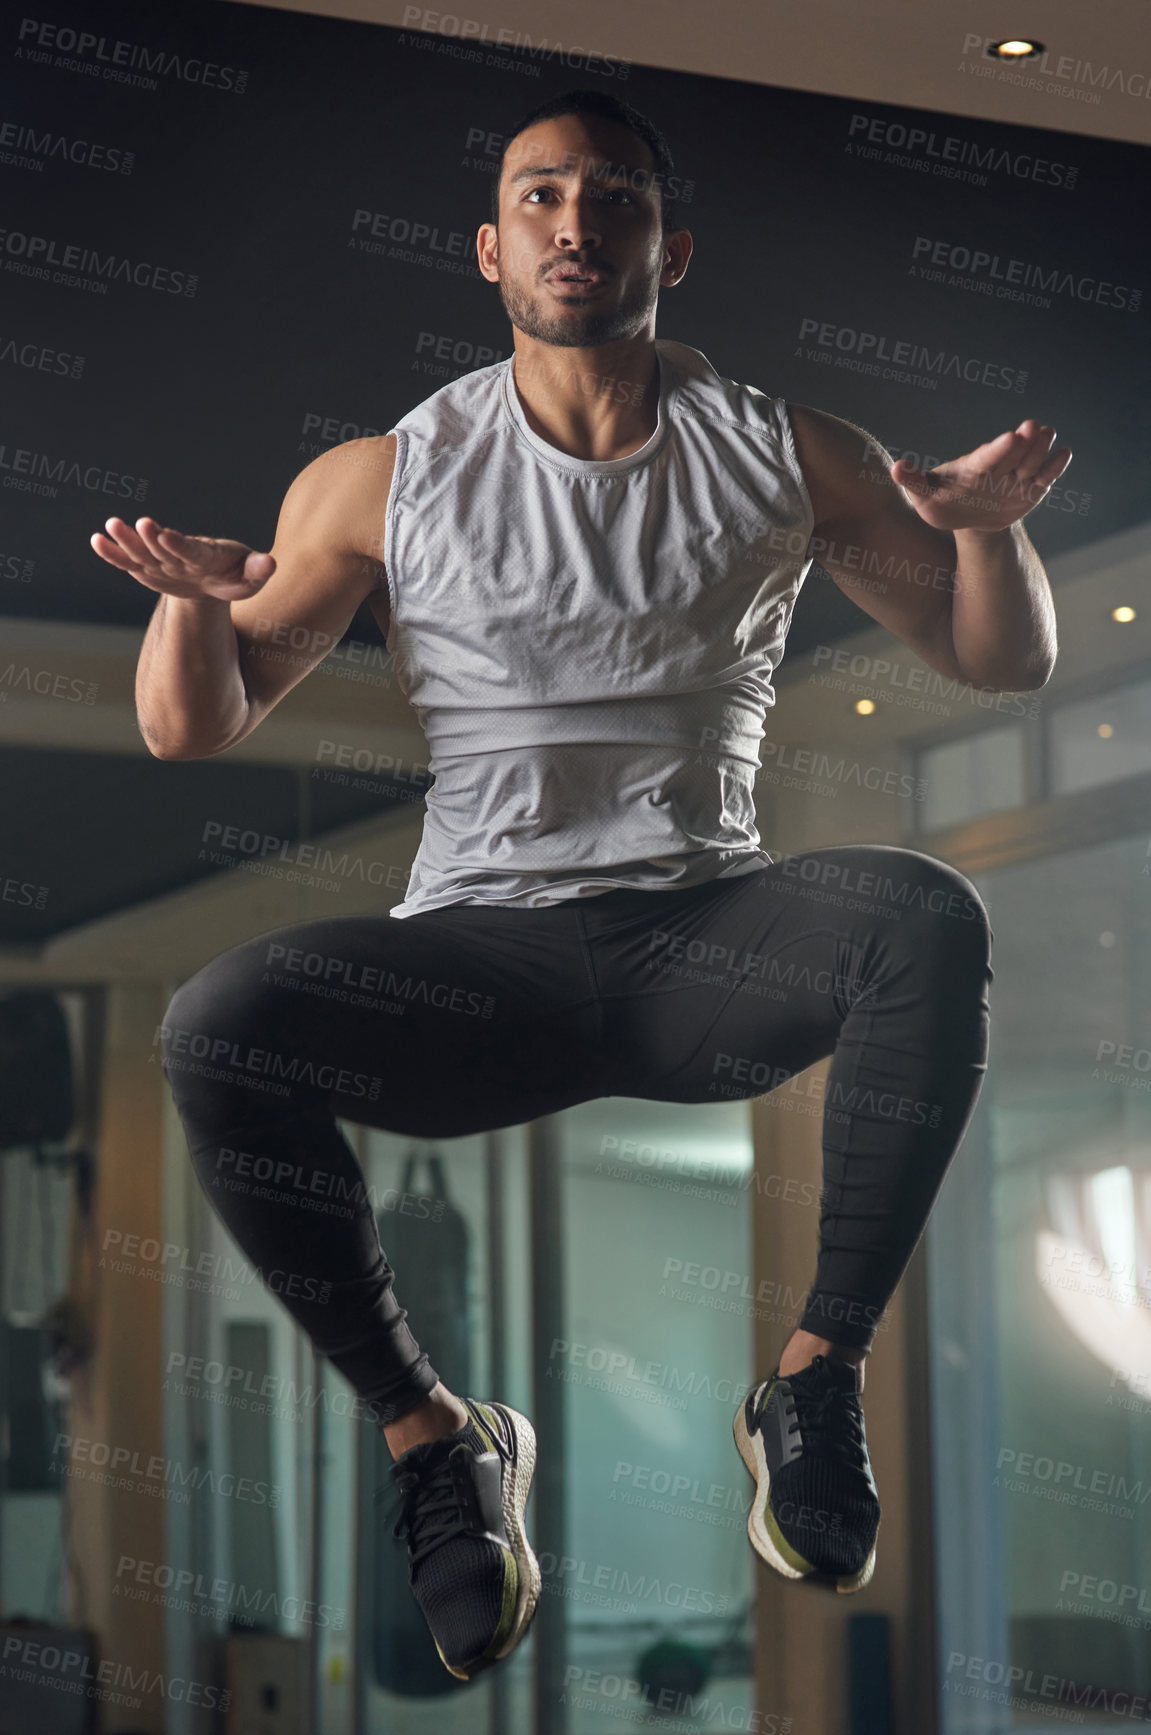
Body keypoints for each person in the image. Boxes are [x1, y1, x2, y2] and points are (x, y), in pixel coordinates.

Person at [92, 87, 1064, 1681]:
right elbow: (187, 728)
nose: (574, 223)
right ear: (488, 249)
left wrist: (993, 538)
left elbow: (996, 654)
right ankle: (437, 1447)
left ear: (669, 245)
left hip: (705, 954)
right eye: (539, 198)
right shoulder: (382, 477)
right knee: (219, 1023)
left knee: (920, 913)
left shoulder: (781, 447)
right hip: (481, 968)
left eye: (611, 197)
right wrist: (194, 611)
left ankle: (811, 1387)